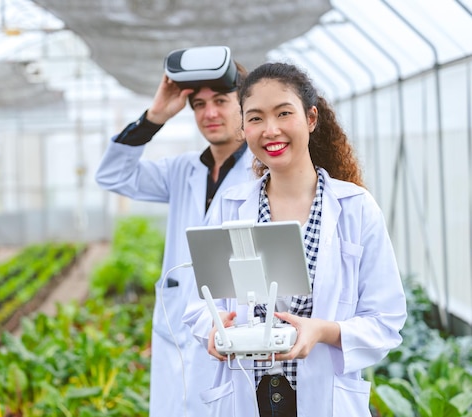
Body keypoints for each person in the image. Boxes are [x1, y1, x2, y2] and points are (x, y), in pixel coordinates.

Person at [183, 62, 407, 416]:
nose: (270, 130)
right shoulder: (230, 205)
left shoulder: (355, 209)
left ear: (311, 118)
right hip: (245, 395)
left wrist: (321, 331)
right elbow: (195, 303)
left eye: (283, 113)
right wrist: (211, 328)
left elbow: (386, 320)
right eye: (255, 118)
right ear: (243, 127)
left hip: (325, 398)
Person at [95, 50, 253, 416]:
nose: (209, 113)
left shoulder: (263, 172)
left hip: (232, 330)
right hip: (177, 330)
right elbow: (112, 176)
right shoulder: (183, 171)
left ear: (244, 106)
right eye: (198, 104)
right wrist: (155, 117)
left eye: (220, 101)